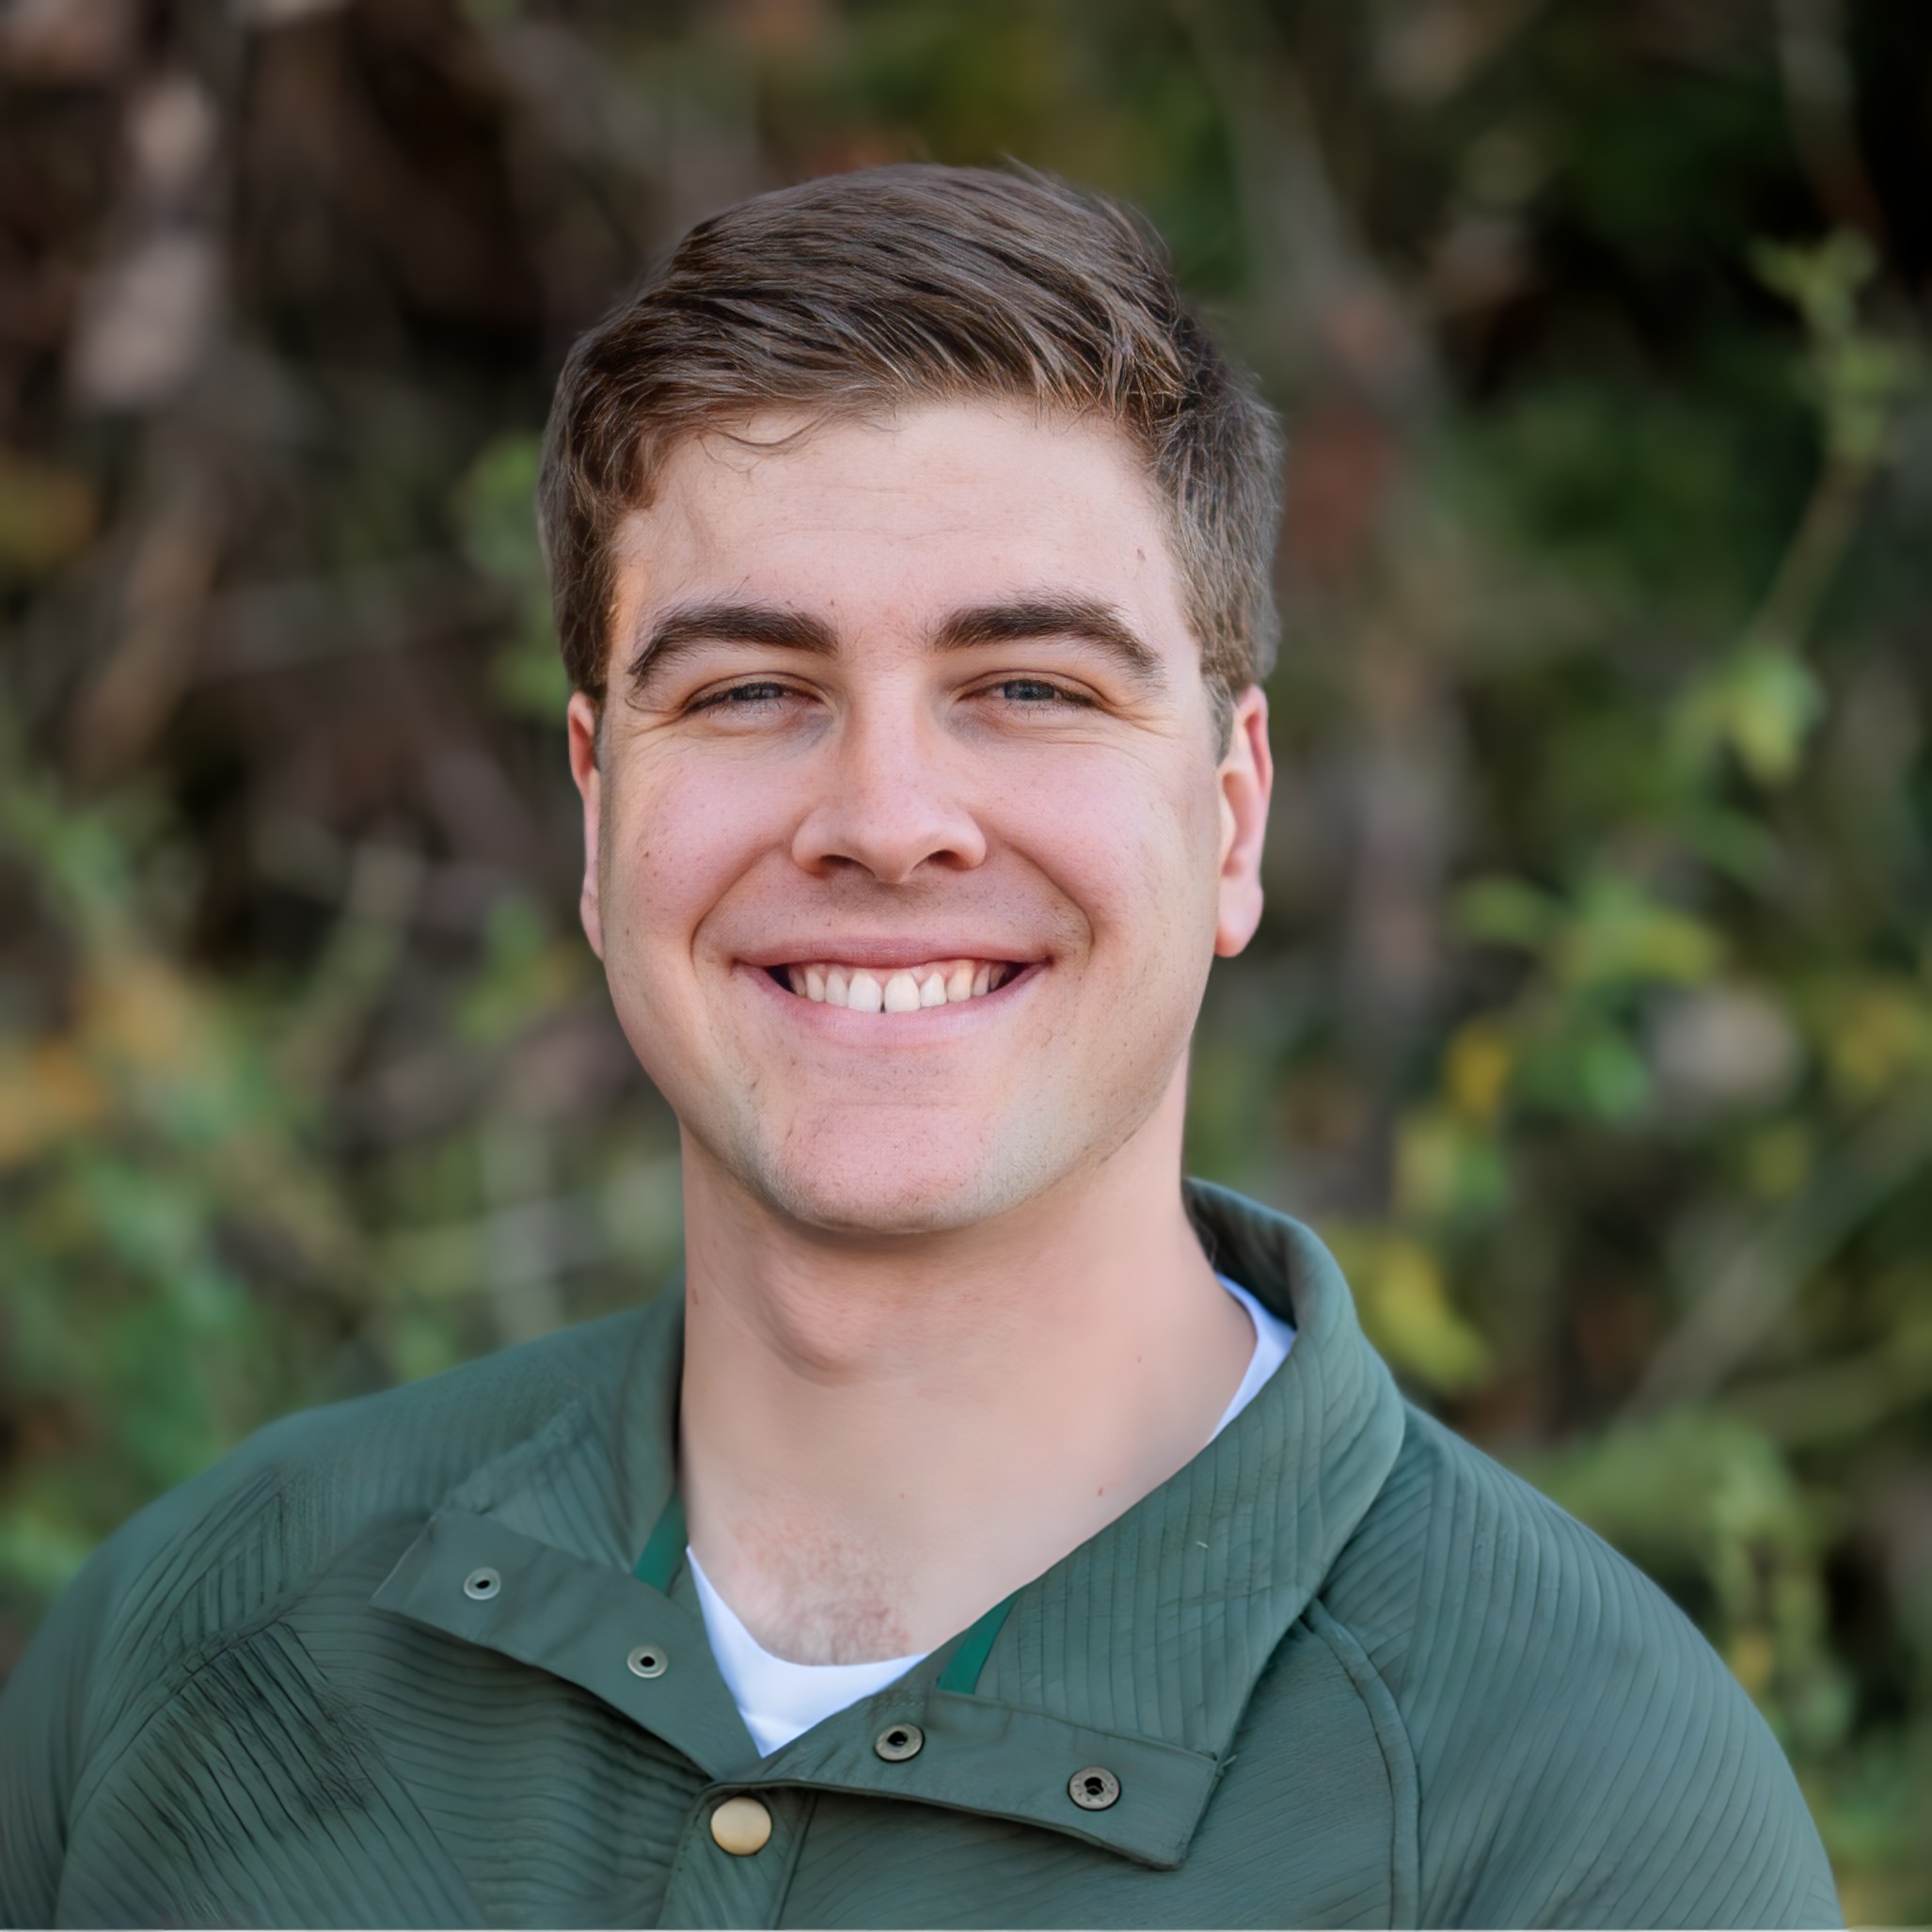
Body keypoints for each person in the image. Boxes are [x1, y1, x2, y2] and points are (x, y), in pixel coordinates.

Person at [0, 165, 1838, 1931]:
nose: (885, 820)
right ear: (596, 809)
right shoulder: (205, 1630)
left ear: (1232, 816)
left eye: (1028, 687)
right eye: (749, 690)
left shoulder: (1573, 1806)